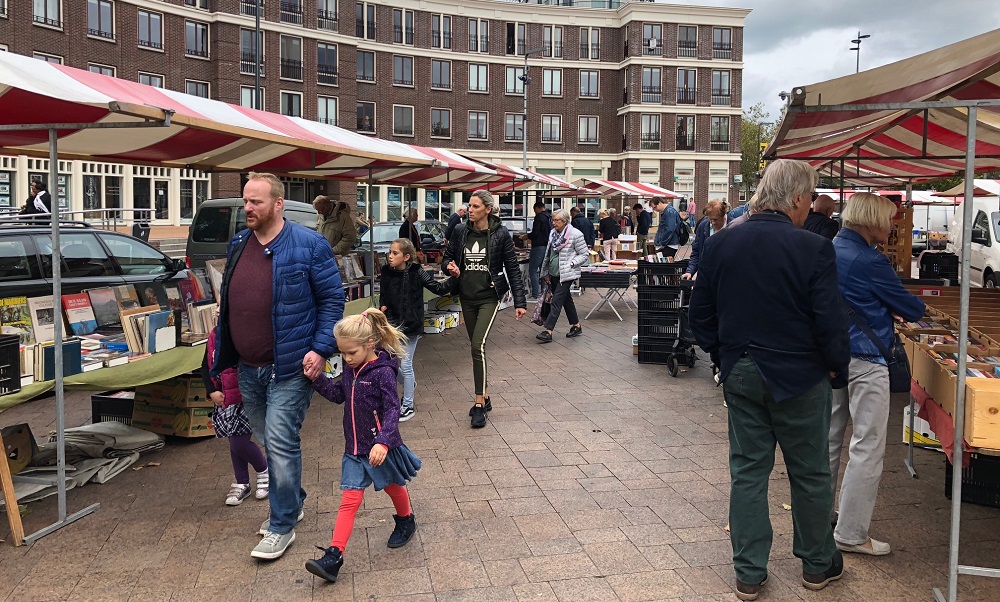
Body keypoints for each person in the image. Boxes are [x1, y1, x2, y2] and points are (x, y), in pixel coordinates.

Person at [688, 159, 850, 601]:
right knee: (811, 473)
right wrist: (837, 365)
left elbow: (699, 315)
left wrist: (722, 354)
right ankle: (817, 564)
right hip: (800, 374)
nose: (809, 209)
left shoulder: (722, 243)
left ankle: (749, 572)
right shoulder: (813, 247)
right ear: (797, 199)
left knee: (748, 471)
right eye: (809, 200)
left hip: (741, 368)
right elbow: (830, 321)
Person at [213, 172, 345, 560]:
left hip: (289, 366)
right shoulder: (239, 243)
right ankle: (295, 499)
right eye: (245, 201)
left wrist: (321, 349)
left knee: (282, 442)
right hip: (247, 366)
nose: (247, 208)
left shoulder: (310, 245)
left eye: (255, 202)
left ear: (278, 203)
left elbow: (332, 302)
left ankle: (282, 524)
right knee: (271, 442)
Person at [829, 192, 925, 557]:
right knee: (867, 445)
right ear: (871, 221)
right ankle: (851, 534)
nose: (892, 225)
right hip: (867, 359)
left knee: (830, 440)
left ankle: (823, 517)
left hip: (831, 356)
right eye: (888, 219)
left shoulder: (829, 248)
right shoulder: (870, 260)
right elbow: (911, 308)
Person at [304, 310, 422, 583]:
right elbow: (338, 396)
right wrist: (316, 378)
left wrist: (383, 442)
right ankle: (334, 556)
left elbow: (393, 410)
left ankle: (406, 520)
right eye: (342, 354)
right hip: (354, 451)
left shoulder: (383, 373)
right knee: (349, 500)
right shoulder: (349, 368)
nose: (346, 359)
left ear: (370, 343)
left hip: (381, 449)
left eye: (351, 353)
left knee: (394, 486)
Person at [442, 190, 528, 428]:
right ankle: (486, 395)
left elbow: (512, 267)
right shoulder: (460, 231)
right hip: (466, 297)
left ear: (487, 209)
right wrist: (450, 267)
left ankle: (479, 403)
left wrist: (520, 302)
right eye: (469, 206)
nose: (470, 210)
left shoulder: (500, 233)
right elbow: (447, 257)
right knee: (476, 348)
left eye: (475, 206)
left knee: (477, 345)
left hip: (489, 297)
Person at [379, 238, 455, 422]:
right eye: (390, 252)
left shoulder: (416, 271)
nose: (390, 256)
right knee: (389, 363)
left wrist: (455, 278)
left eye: (395, 253)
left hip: (411, 325)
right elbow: (383, 295)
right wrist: (382, 308)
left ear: (406, 256)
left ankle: (408, 405)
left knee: (405, 364)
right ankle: (409, 384)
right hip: (391, 325)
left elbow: (438, 288)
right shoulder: (386, 272)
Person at [200, 318, 268, 506]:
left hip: (244, 397)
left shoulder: (243, 333)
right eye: (218, 306)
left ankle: (263, 470)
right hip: (223, 399)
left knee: (239, 442)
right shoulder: (214, 335)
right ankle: (242, 482)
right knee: (233, 440)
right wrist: (211, 391)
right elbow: (205, 366)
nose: (218, 310)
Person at [535, 209, 588, 342]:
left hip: (567, 273)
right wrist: (546, 272)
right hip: (553, 273)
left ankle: (548, 330)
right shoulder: (553, 233)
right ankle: (576, 325)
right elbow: (549, 253)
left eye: (556, 220)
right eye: (553, 220)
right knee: (566, 300)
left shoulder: (576, 234)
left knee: (557, 301)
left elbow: (584, 254)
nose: (553, 223)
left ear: (565, 221)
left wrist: (572, 264)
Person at [682, 200, 728, 280]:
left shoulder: (734, 226)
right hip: (706, 275)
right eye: (710, 219)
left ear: (724, 215)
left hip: (726, 276)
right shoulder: (703, 226)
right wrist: (690, 271)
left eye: (716, 219)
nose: (713, 222)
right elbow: (696, 252)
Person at [521, 201, 552, 300]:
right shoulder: (549, 217)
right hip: (546, 246)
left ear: (537, 208)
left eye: (535, 211)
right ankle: (543, 291)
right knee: (543, 270)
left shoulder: (539, 217)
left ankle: (535, 294)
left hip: (538, 246)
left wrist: (526, 236)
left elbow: (535, 232)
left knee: (533, 270)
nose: (535, 213)